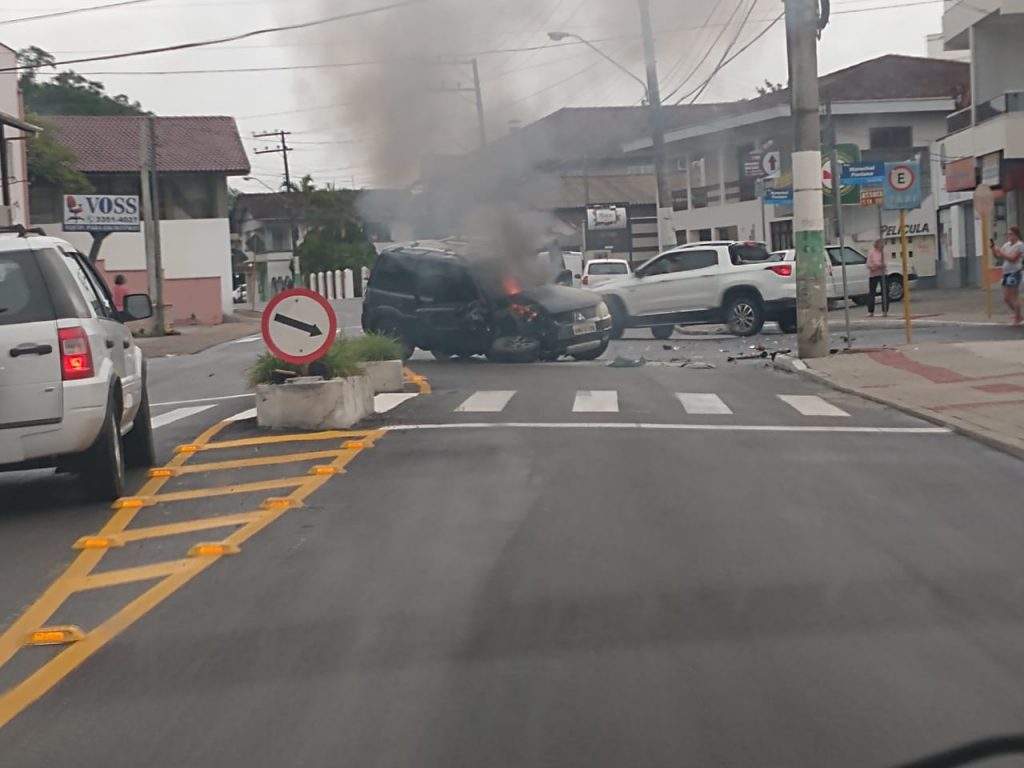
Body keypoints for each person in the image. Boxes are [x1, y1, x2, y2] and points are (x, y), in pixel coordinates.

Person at [992, 226, 1024, 325]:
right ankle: (1018, 315)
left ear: (1016, 235)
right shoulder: (1007, 245)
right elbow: (998, 255)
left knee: (1013, 297)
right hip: (1006, 273)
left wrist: (1001, 252)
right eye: (1008, 234)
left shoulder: (1020, 245)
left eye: (1011, 234)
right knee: (1006, 298)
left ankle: (1017, 317)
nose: (1009, 236)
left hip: (1014, 273)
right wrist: (994, 249)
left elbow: (1013, 258)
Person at [866, 239, 887, 318]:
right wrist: (877, 265)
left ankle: (885, 310)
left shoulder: (884, 253)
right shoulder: (871, 252)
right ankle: (870, 311)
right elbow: (869, 264)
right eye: (880, 243)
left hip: (883, 274)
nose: (882, 244)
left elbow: (885, 263)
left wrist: (878, 265)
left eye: (883, 243)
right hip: (873, 274)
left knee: (885, 292)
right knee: (872, 293)